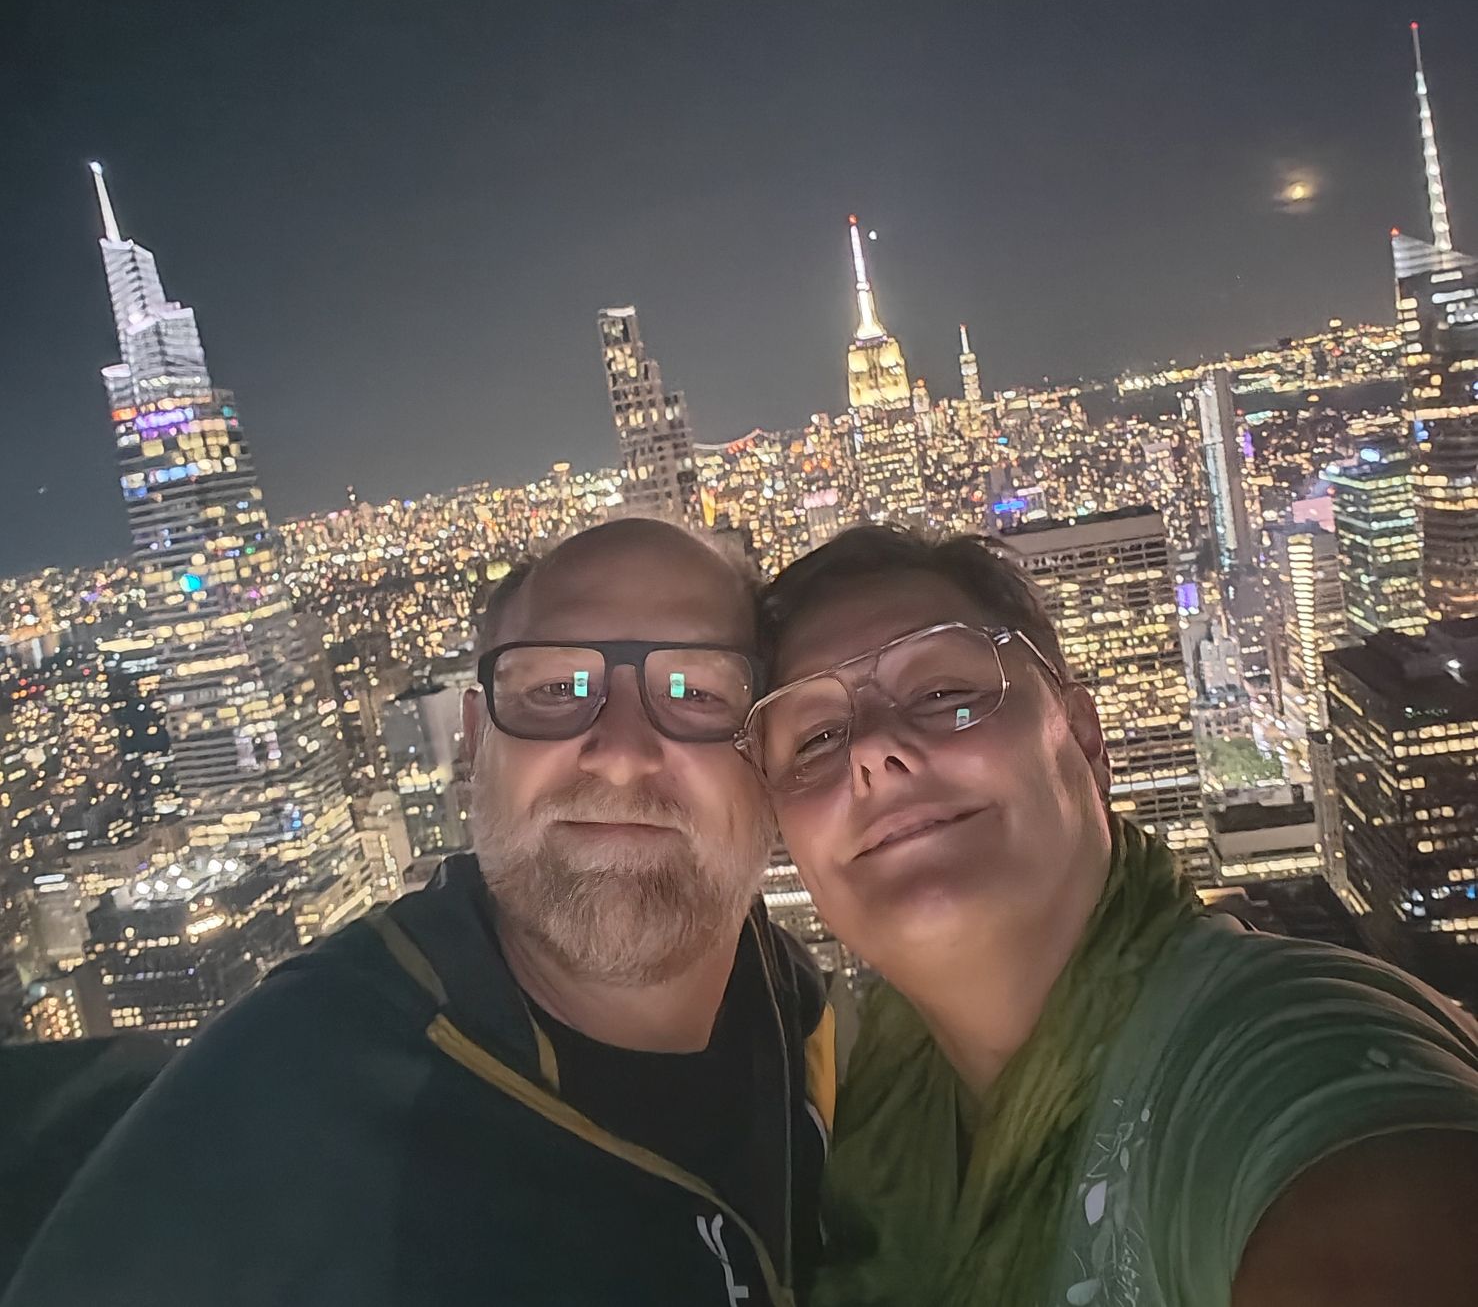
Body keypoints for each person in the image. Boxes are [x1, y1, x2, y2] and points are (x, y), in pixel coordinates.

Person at [6, 518, 834, 1307]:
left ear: (771, 748)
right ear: (475, 741)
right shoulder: (279, 1120)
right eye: (555, 688)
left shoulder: (799, 1016)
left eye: (694, 691)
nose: (620, 754)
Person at [738, 523, 1478, 1307]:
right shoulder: (838, 1102)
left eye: (943, 695)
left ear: (1086, 740)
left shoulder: (1284, 1057)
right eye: (817, 737)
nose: (872, 749)